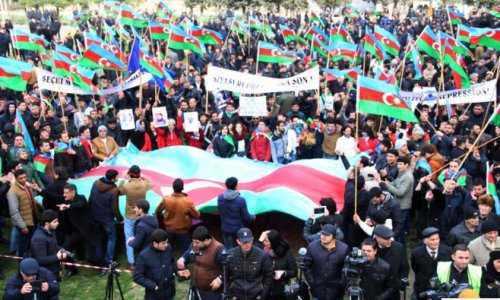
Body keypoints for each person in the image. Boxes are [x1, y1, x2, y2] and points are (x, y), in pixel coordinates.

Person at [118, 165, 153, 271]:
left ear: (130, 174)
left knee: (129, 238)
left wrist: (124, 178)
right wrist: (143, 177)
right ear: (139, 173)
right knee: (146, 237)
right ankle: (147, 259)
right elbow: (152, 183)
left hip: (130, 215)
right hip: (142, 215)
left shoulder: (127, 186)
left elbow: (119, 190)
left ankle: (131, 263)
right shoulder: (143, 184)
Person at [176, 226, 225, 300]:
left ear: (206, 240)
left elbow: (229, 268)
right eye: (193, 241)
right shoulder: (195, 244)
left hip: (211, 291)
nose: (194, 245)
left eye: (197, 243)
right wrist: (182, 259)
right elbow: (188, 253)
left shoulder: (219, 250)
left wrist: (220, 279)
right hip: (195, 286)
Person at [304, 222, 349, 300]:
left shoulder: (343, 248)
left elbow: (346, 267)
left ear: (334, 237)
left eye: (327, 235)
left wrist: (342, 283)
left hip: (337, 291)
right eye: (322, 234)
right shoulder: (312, 247)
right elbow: (306, 266)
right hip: (317, 290)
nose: (323, 237)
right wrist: (312, 282)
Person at [225, 228, 274, 299]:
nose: (247, 244)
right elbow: (225, 275)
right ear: (238, 241)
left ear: (252, 240)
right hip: (236, 295)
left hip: (256, 295)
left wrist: (262, 295)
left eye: (249, 241)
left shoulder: (262, 255)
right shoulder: (230, 255)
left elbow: (269, 276)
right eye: (244, 242)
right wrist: (230, 295)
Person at [155, 178, 200, 252]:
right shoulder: (187, 202)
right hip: (183, 230)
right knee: (186, 251)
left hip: (169, 229)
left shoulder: (166, 200)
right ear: (182, 188)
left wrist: (166, 213)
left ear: (173, 187)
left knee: (167, 249)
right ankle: (185, 261)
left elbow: (157, 211)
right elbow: (197, 215)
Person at [88, 169, 123, 266]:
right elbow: (114, 208)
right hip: (107, 219)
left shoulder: (95, 183)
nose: (118, 178)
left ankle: (100, 261)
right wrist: (120, 219)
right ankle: (109, 260)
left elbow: (90, 199)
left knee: (98, 239)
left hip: (95, 216)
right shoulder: (114, 190)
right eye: (117, 177)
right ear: (113, 179)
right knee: (111, 238)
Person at [30, 209, 76, 281]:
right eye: (55, 222)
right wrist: (57, 257)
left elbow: (54, 245)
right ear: (47, 223)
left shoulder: (51, 231)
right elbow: (41, 260)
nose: (57, 223)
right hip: (46, 274)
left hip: (54, 269)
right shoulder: (39, 239)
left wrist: (62, 250)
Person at [133, 229, 180, 300]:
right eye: (163, 243)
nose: (166, 245)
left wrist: (177, 271)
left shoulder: (168, 248)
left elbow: (172, 261)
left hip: (170, 291)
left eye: (167, 242)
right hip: (154, 295)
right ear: (155, 243)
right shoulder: (143, 256)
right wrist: (153, 286)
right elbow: (137, 277)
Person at [411, 227, 452, 298]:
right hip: (423, 288)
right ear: (425, 241)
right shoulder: (417, 253)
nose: (436, 242)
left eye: (437, 239)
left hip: (442, 288)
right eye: (432, 240)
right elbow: (416, 268)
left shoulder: (448, 251)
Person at [255, 229, 298, 300]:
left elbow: (294, 271)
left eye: (266, 241)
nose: (264, 243)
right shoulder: (261, 251)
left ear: (274, 242)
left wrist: (283, 272)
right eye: (263, 241)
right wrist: (259, 240)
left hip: (279, 290)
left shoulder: (286, 253)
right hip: (262, 289)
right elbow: (252, 255)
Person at [7, 169, 40, 256]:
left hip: (32, 217)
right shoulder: (12, 192)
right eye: (21, 178)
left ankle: (32, 258)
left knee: (32, 240)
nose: (24, 180)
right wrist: (22, 226)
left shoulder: (26, 186)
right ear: (16, 179)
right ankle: (21, 262)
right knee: (24, 244)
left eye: (25, 177)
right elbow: (14, 212)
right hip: (24, 222)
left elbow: (31, 201)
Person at [372, 225, 409, 300]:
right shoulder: (370, 247)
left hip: (392, 290)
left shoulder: (399, 248)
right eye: (386, 239)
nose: (390, 240)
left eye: (390, 238)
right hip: (374, 289)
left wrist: (400, 282)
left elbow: (405, 267)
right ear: (378, 239)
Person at [217, 177, 255, 248]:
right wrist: (253, 217)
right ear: (236, 185)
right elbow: (246, 217)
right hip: (238, 229)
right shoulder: (241, 200)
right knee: (240, 248)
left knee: (229, 249)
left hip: (225, 228)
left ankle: (230, 258)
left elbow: (219, 210)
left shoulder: (220, 198)